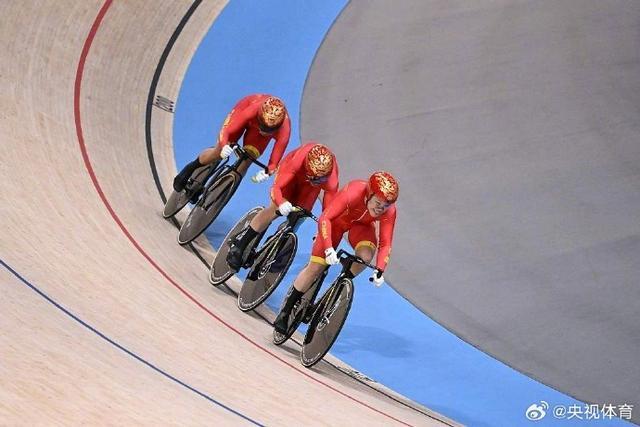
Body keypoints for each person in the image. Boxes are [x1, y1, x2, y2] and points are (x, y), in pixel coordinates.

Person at [273, 171, 399, 333]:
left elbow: (386, 242)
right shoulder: (353, 192)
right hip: (336, 222)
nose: (381, 209)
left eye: (386, 205)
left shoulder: (390, 211)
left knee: (365, 257)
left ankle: (339, 285)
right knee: (316, 267)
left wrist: (380, 268)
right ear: (369, 195)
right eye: (378, 203)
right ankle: (285, 312)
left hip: (362, 227)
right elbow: (326, 218)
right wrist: (328, 248)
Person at [226, 142, 339, 270]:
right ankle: (240, 244)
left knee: (300, 216)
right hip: (291, 173)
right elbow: (276, 188)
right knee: (275, 209)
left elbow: (328, 212)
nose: (316, 181)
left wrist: (321, 230)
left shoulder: (331, 180)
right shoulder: (297, 162)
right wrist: (281, 202)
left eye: (320, 180)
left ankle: (276, 242)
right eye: (314, 178)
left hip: (308, 189)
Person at [172, 94, 290, 194]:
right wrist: (224, 145)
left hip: (256, 131)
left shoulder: (285, 130)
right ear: (259, 116)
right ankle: (191, 167)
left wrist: (267, 172)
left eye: (269, 130)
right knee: (218, 152)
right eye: (263, 126)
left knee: (248, 159)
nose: (264, 131)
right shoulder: (252, 110)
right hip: (243, 111)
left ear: (278, 127)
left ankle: (217, 194)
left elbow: (274, 163)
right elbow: (227, 131)